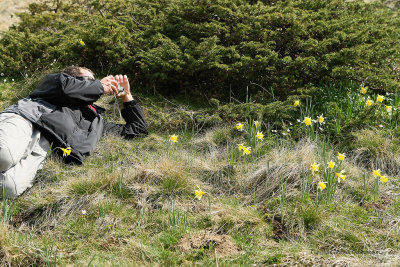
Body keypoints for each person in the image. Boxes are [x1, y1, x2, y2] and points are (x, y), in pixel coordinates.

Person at [0, 66, 148, 199]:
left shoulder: (96, 121)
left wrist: (126, 95)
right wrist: (100, 87)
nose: (94, 83)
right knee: (4, 154)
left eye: (94, 81)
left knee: (9, 187)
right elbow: (66, 88)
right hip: (27, 120)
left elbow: (138, 129)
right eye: (88, 80)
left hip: (46, 147)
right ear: (72, 78)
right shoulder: (57, 83)